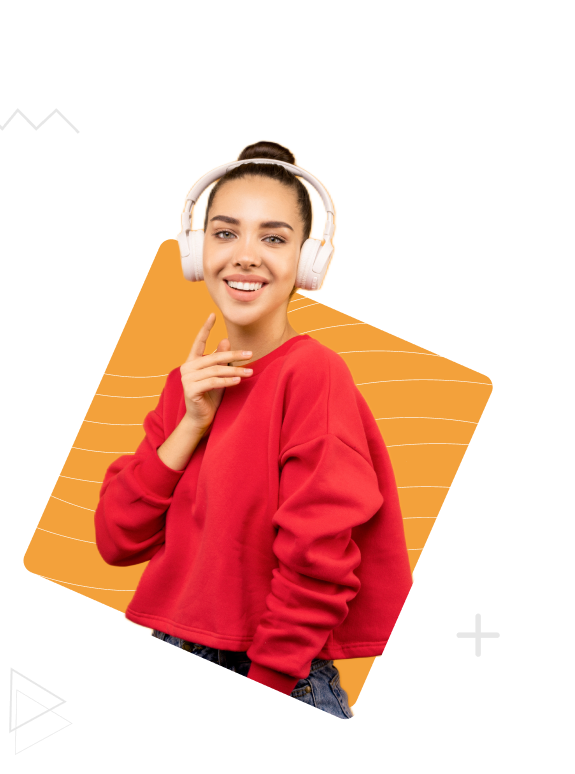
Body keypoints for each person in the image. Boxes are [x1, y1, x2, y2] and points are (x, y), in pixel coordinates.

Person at [94, 140, 413, 719]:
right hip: (174, 638)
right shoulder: (189, 386)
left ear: (308, 261)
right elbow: (117, 540)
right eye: (225, 233)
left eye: (273, 238)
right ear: (198, 251)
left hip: (271, 671)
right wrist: (190, 423)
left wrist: (268, 677)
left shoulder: (313, 376)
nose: (245, 256)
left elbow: (317, 560)